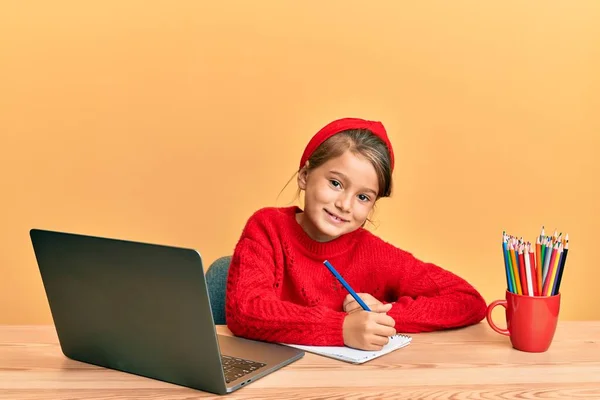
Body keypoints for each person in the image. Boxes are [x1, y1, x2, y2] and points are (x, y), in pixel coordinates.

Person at [225, 117, 487, 351]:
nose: (345, 205)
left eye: (362, 197)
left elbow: (469, 301)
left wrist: (383, 317)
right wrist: (342, 328)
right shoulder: (267, 228)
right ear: (305, 176)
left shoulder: (374, 253)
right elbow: (245, 310)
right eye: (336, 183)